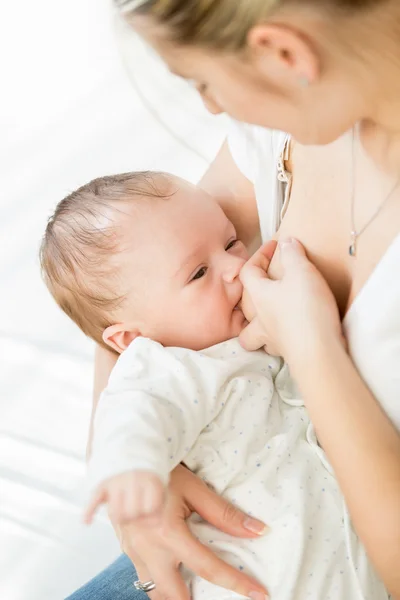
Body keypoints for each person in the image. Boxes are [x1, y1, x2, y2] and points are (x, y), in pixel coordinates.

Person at [68, 0, 400, 599]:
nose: (212, 108)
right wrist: (140, 480)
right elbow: (129, 275)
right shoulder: (283, 125)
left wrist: (310, 345)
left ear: (284, 53)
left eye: (203, 81)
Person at [41, 171, 384, 600]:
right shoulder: (168, 368)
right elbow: (131, 416)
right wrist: (132, 469)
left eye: (230, 242)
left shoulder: (253, 327)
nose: (236, 267)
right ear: (131, 339)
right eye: (199, 273)